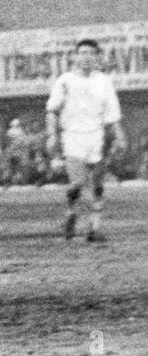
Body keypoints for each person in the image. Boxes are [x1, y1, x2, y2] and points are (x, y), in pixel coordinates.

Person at [46, 38, 127, 242]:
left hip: (97, 136)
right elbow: (52, 111)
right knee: (78, 183)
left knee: (98, 184)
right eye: (82, 53)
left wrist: (119, 136)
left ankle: (94, 227)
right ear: (75, 56)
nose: (86, 57)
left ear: (97, 57)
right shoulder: (64, 81)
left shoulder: (104, 81)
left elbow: (112, 114)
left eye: (91, 53)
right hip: (72, 135)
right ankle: (71, 213)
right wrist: (52, 135)